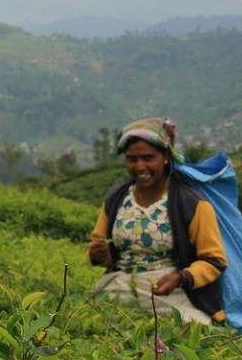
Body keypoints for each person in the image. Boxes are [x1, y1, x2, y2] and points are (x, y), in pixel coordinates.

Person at [88, 117, 228, 325]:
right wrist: (99, 255)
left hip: (170, 291)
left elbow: (214, 261)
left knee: (193, 327)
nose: (139, 166)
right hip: (121, 286)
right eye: (131, 159)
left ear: (165, 157)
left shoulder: (191, 203)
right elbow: (99, 245)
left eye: (148, 157)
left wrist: (181, 278)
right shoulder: (117, 198)